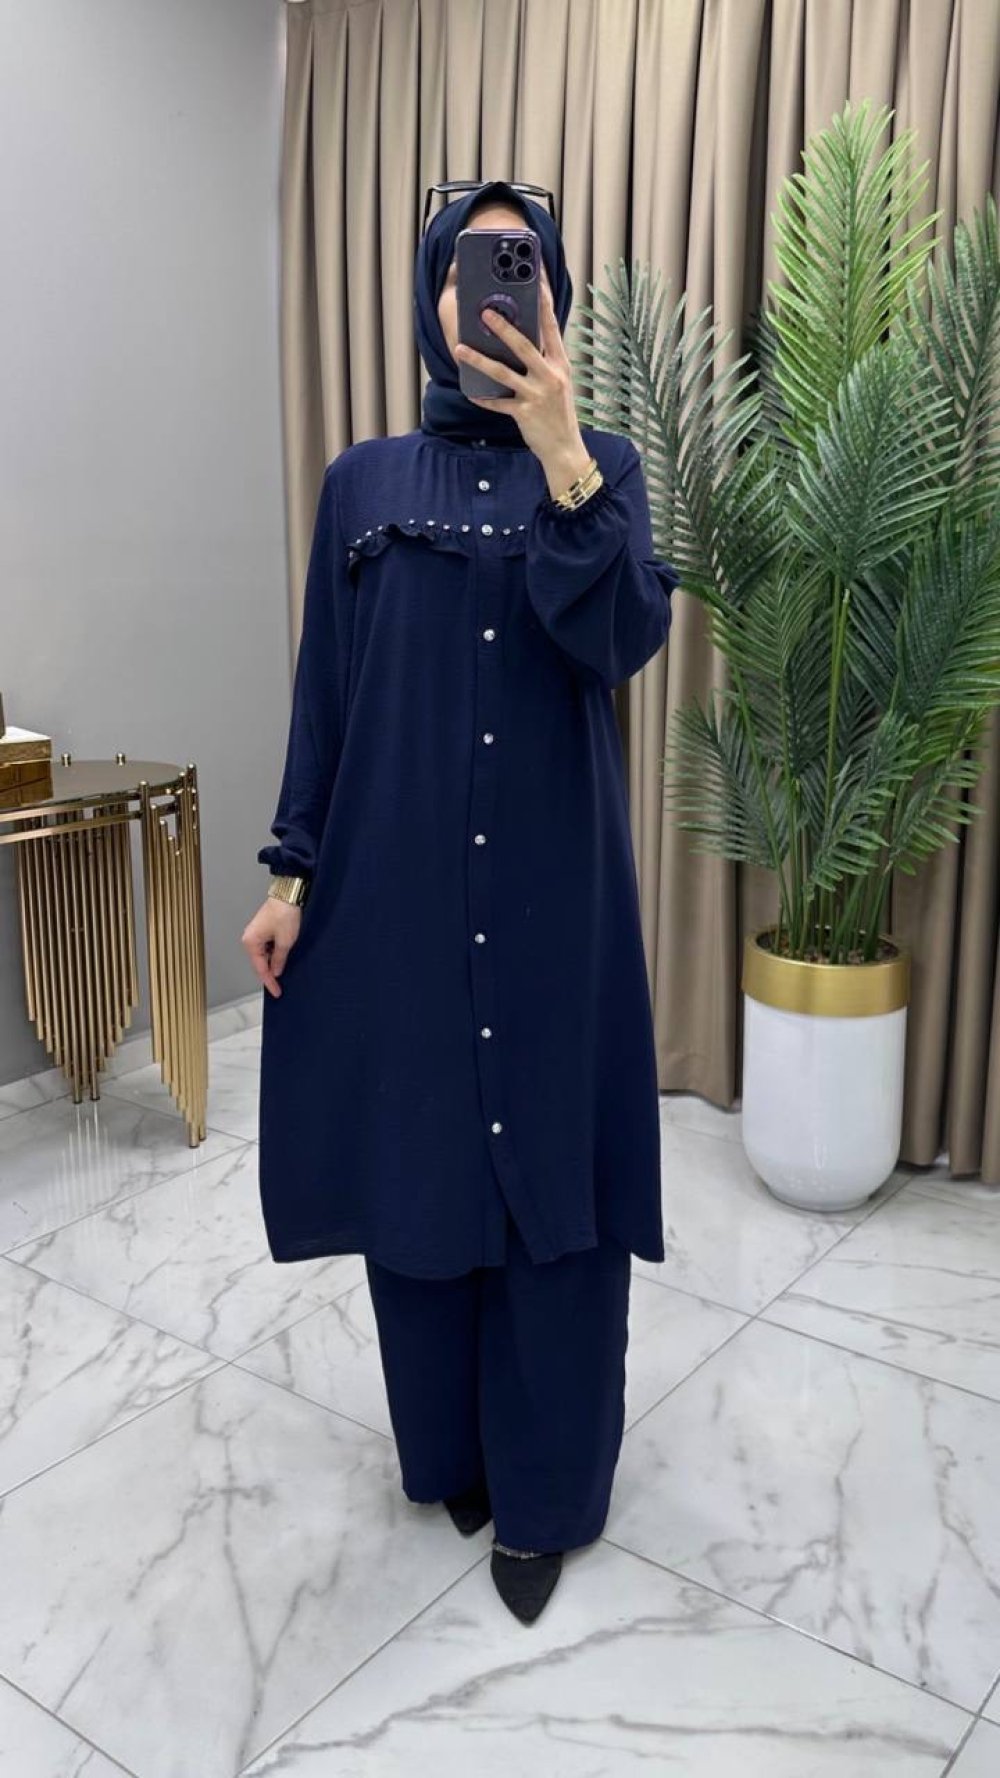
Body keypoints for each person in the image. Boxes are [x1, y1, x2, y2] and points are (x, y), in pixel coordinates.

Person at [242, 178, 679, 1624]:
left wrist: (564, 456)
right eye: (467, 265)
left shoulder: (602, 465)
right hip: (399, 899)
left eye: (519, 263)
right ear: (433, 295)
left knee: (553, 1176)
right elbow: (326, 694)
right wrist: (292, 872)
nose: (492, 287)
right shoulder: (363, 484)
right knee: (422, 1166)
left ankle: (546, 1487)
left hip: (557, 903)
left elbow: (620, 639)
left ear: (550, 296)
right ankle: (459, 1453)